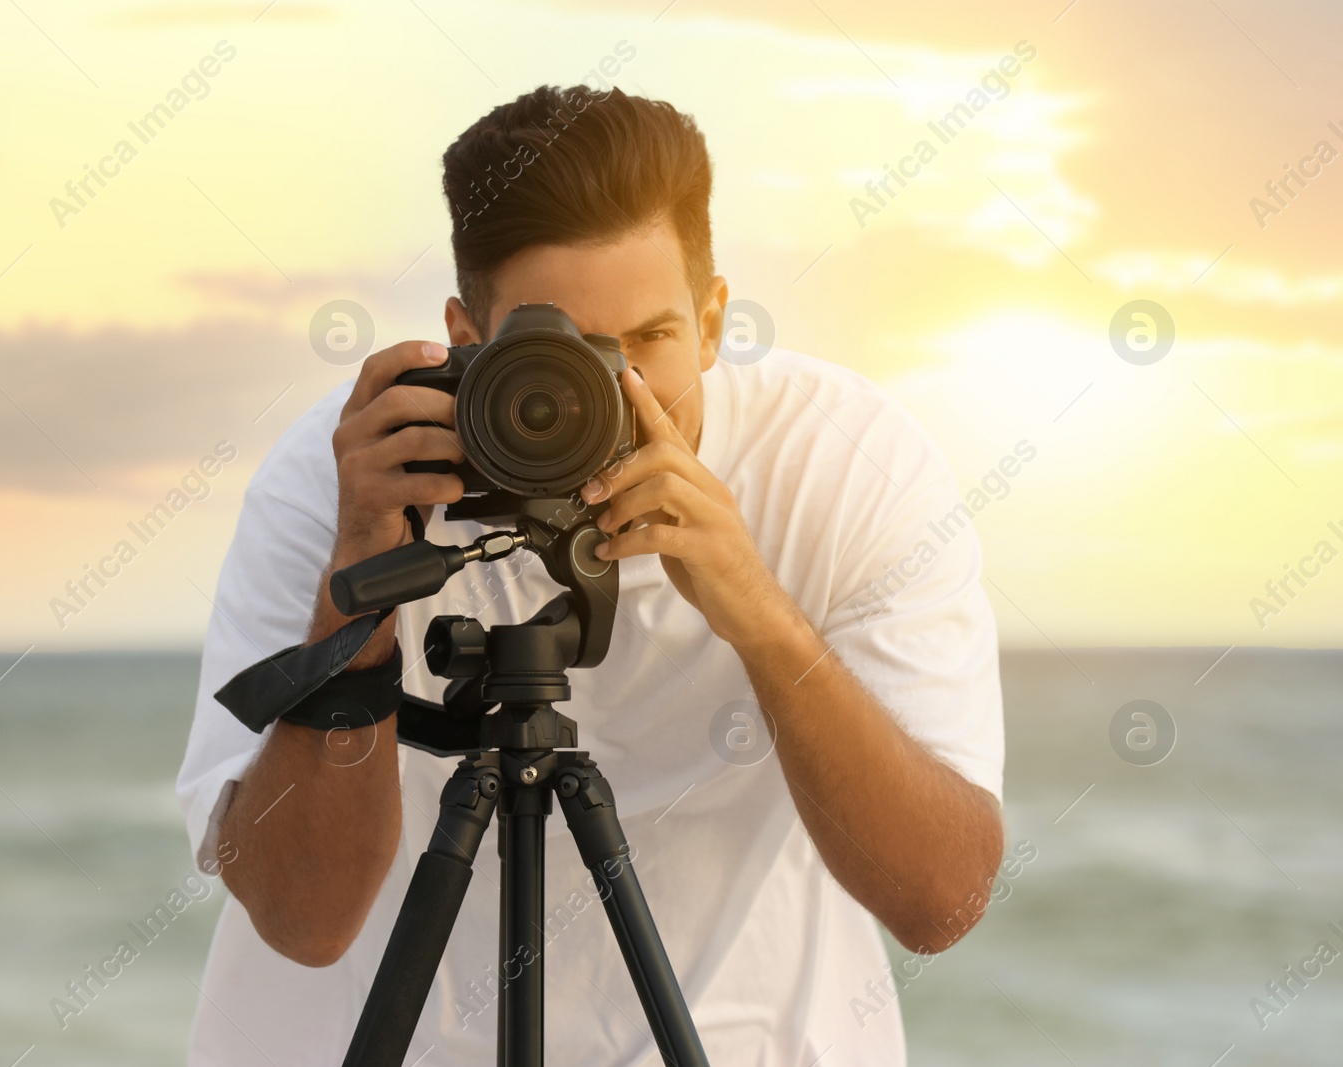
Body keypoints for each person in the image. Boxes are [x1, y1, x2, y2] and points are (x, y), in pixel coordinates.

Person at [177, 84, 1004, 1065]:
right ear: (464, 338)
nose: (606, 390)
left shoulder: (842, 466)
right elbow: (302, 917)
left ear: (712, 319)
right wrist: (354, 586)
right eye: (555, 350)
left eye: (648, 340)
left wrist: (764, 620)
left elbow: (940, 901)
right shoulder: (348, 474)